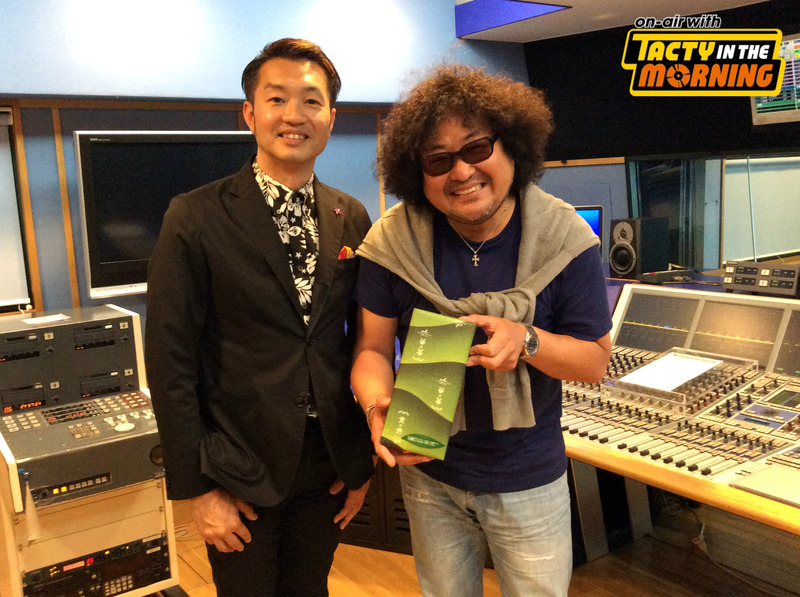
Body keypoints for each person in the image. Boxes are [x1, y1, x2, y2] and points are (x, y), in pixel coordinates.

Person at [350, 64, 612, 597]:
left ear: (511, 146)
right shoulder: (391, 244)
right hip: (429, 476)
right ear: (418, 173)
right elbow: (372, 350)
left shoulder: (566, 240)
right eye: (439, 160)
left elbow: (594, 362)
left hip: (530, 480)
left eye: (476, 148)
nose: (462, 171)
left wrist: (528, 340)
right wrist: (376, 408)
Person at [145, 38, 373, 597]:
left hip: (327, 464)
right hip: (238, 466)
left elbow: (359, 340)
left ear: (332, 118)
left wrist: (359, 463)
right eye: (277, 99)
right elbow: (171, 362)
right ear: (250, 114)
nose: (294, 115)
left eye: (312, 101)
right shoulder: (194, 216)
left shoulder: (351, 214)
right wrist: (197, 488)